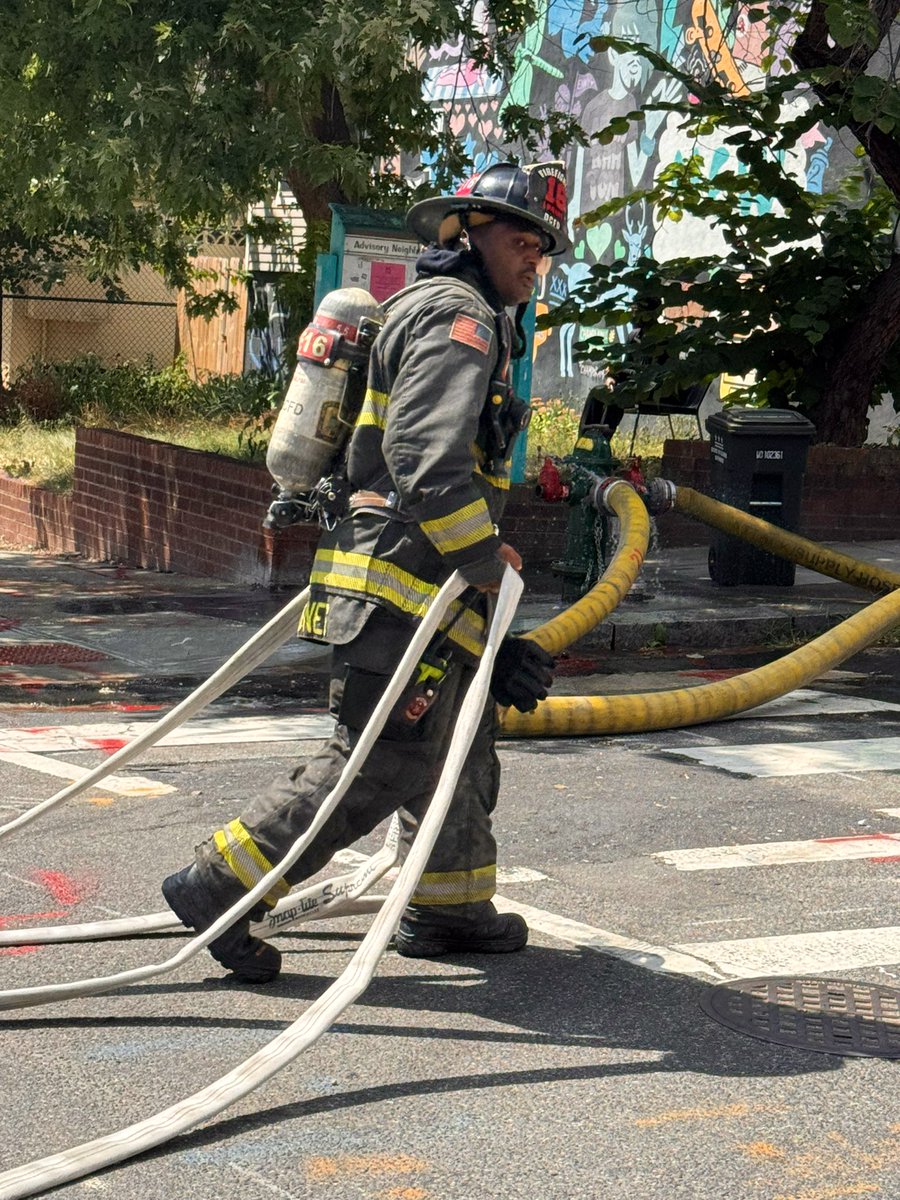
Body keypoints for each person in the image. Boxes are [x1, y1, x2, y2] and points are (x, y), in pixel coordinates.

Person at [162, 161, 570, 982]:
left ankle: (448, 906)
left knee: (456, 733)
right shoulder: (461, 317)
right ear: (470, 234)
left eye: (543, 249)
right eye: (523, 242)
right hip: (401, 584)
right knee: (382, 758)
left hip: (423, 583)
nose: (535, 261)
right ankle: (220, 886)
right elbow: (424, 457)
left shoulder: (455, 313)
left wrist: (493, 612)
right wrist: (489, 566)